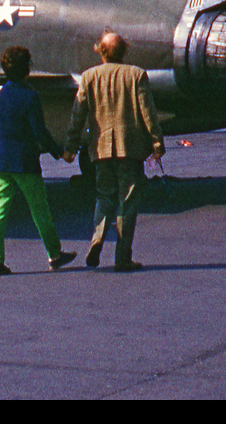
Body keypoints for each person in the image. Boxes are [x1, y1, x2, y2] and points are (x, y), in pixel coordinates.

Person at [62, 31, 164, 273]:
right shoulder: (136, 75)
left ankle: (97, 239)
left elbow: (78, 115)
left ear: (100, 51)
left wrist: (70, 147)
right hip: (131, 149)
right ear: (124, 51)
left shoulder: (88, 77)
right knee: (127, 202)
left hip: (100, 149)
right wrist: (157, 144)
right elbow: (148, 112)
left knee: (103, 195)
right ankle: (122, 257)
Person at [0, 46, 75, 276]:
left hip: (0, 161)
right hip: (24, 162)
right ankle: (55, 254)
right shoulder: (31, 96)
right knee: (40, 209)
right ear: (27, 70)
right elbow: (40, 132)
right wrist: (58, 152)